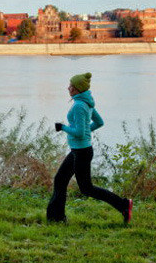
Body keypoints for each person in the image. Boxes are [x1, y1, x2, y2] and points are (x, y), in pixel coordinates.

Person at [46, 72, 133, 224]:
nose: (68, 88)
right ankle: (56, 218)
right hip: (80, 150)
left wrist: (63, 127)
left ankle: (124, 205)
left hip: (81, 152)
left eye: (71, 86)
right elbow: (99, 122)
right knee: (60, 180)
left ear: (77, 89)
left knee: (87, 188)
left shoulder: (79, 106)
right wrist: (85, 132)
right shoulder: (87, 102)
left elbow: (79, 132)